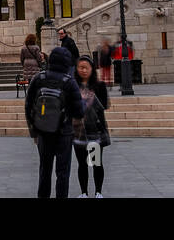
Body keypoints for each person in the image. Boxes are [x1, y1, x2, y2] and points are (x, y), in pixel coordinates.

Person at [24, 46, 85, 198]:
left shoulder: (39, 78)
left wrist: (34, 131)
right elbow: (79, 111)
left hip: (43, 132)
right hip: (64, 132)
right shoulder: (69, 82)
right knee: (62, 172)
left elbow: (28, 105)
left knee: (45, 170)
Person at [73, 55, 110, 198]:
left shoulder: (99, 86)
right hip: (78, 131)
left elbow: (104, 105)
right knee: (82, 164)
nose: (83, 70)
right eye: (80, 67)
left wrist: (91, 99)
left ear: (92, 69)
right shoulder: (73, 85)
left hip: (94, 131)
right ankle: (84, 193)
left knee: (96, 163)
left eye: (86, 67)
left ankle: (98, 192)